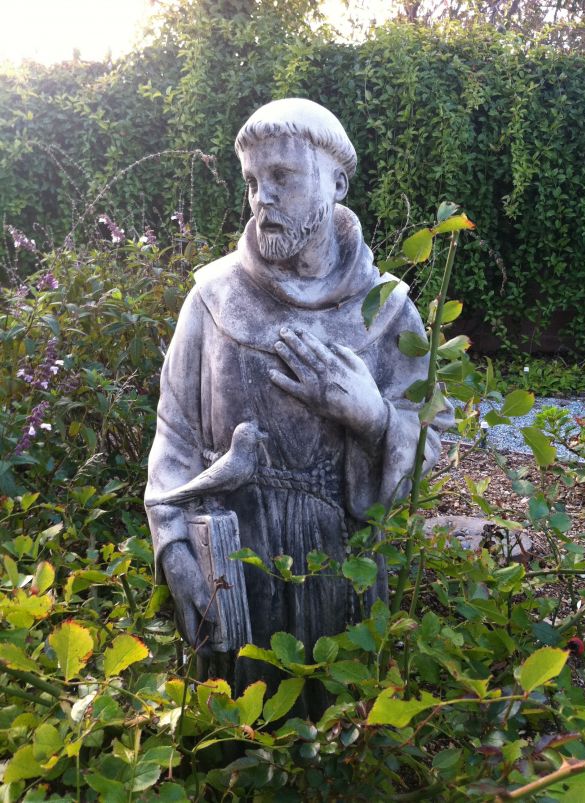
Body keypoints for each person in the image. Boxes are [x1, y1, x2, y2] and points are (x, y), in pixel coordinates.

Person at [144, 98, 451, 696]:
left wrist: (374, 417)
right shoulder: (211, 298)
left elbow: (428, 443)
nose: (263, 197)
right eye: (253, 182)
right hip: (234, 564)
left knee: (341, 725)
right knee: (242, 733)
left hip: (342, 567)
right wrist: (176, 546)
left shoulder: (387, 310)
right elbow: (173, 433)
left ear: (336, 182)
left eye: (282, 177)